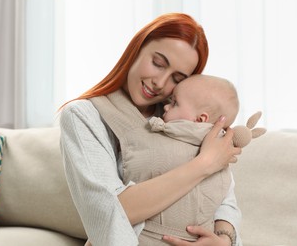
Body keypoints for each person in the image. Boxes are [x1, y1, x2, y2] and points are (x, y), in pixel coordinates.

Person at [59, 13, 242, 246]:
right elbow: (108, 211)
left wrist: (225, 240)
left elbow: (224, 197)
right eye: (158, 63)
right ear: (137, 48)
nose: (160, 83)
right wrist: (204, 163)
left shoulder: (184, 120)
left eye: (177, 78)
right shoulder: (83, 116)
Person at [132, 74, 240, 245]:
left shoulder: (220, 155)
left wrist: (224, 240)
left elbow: (226, 204)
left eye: (175, 103)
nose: (166, 107)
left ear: (200, 119)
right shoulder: (149, 139)